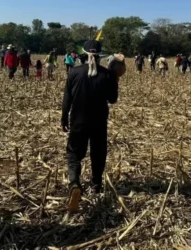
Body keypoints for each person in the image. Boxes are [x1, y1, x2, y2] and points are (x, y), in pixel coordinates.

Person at [61, 40, 125, 213]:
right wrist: (114, 78)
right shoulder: (108, 74)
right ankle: (96, 185)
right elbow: (112, 99)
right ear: (100, 56)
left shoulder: (74, 72)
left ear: (83, 53)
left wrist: (64, 117)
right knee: (98, 152)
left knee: (74, 154)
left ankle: (75, 184)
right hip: (99, 122)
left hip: (78, 121)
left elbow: (67, 97)